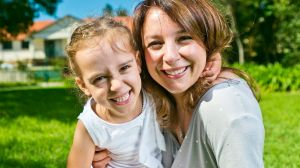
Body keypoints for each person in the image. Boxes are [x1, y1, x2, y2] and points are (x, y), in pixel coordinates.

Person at [93, 0, 265, 168]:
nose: (170, 56)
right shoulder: (154, 105)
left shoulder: (224, 105)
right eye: (155, 43)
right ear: (140, 57)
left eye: (184, 38)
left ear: (208, 42)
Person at [66, 17, 167, 168]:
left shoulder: (151, 91)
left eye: (124, 68)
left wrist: (212, 61)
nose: (117, 85)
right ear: (84, 86)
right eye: (100, 78)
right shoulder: (92, 125)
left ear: (138, 62)